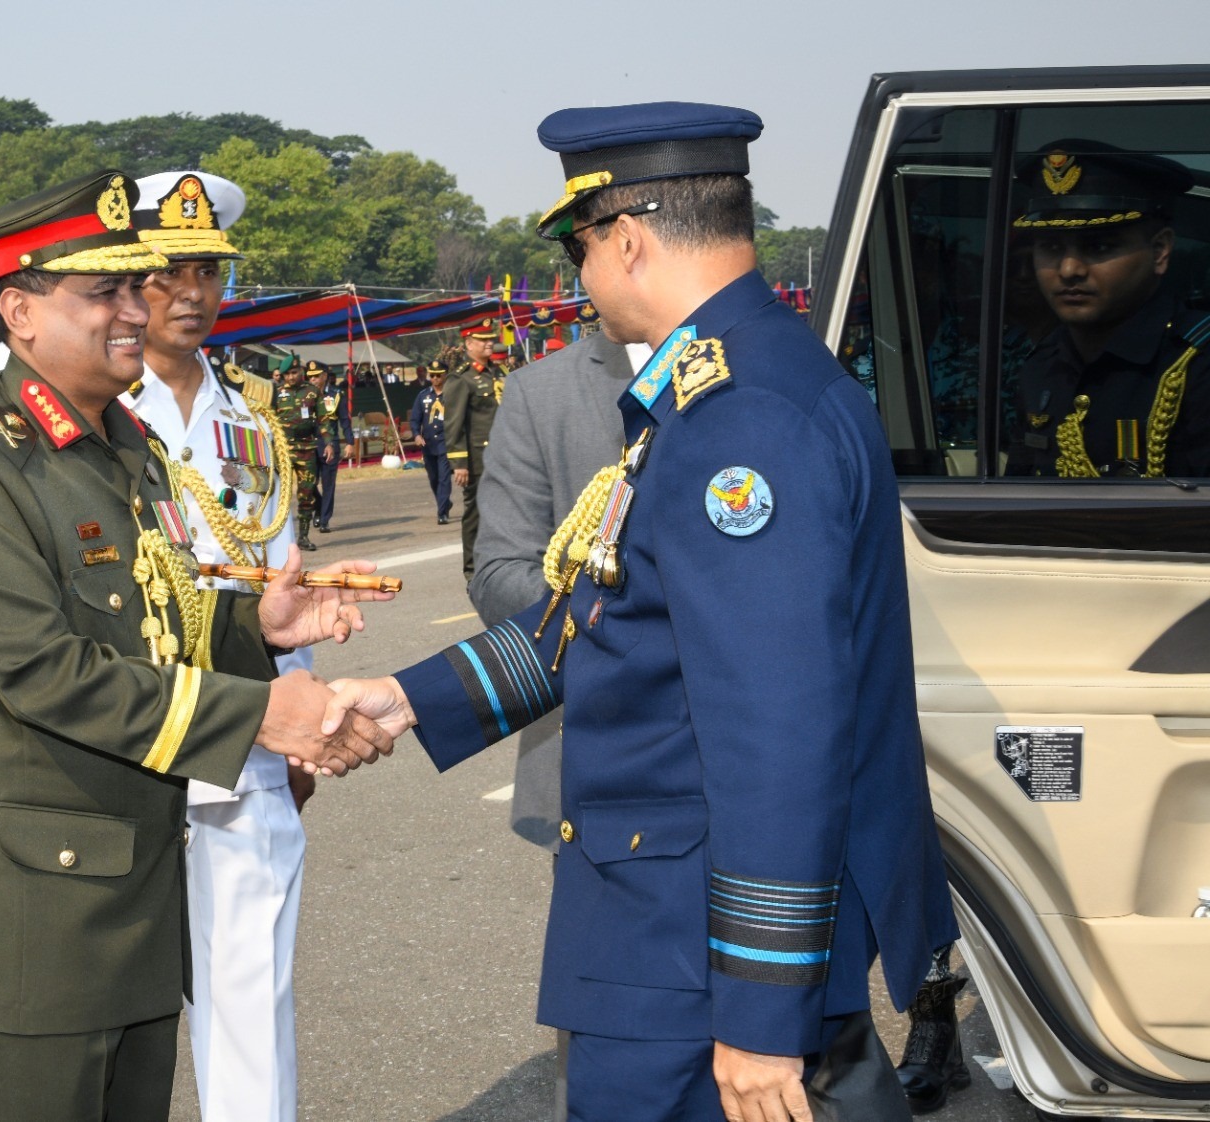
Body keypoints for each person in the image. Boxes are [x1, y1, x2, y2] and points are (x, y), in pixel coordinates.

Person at [324, 101, 957, 1122]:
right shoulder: (745, 379)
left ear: (625, 239)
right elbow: (610, 612)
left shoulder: (736, 420)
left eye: (578, 251)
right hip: (682, 932)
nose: (580, 280)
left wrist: (757, 1015)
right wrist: (406, 700)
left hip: (688, 951)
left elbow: (777, 731)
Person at [0, 169, 394, 1122]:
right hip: (24, 925)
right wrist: (266, 715)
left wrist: (254, 630)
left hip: (128, 898)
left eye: (130, 288)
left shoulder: (124, 448)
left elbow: (152, 615)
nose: (133, 310)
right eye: (104, 290)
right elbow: (44, 673)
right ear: (20, 312)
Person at [123, 169, 313, 1122]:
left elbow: (284, 574)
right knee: (116, 1015)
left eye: (208, 272)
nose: (191, 294)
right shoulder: (94, 406)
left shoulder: (251, 410)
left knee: (252, 1004)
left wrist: (303, 717)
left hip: (245, 747)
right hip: (128, 742)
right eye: (166, 274)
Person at [466, 328, 641, 1121]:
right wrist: (644, 623)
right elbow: (500, 571)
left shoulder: (767, 367)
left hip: (753, 759)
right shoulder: (542, 392)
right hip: (597, 753)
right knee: (612, 1039)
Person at [1006, 141, 1210, 478]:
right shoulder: (1043, 364)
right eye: (1051, 247)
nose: (1069, 269)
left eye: (1098, 246)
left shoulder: (1196, 364)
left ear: (1159, 251)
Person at [443, 318, 504, 579]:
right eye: (483, 339)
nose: (489, 342)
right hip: (478, 459)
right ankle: (472, 568)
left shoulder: (497, 374)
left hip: (504, 456)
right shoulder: (462, 379)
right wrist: (460, 463)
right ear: (469, 344)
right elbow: (454, 424)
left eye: (491, 338)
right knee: (475, 514)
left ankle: (498, 561)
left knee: (504, 511)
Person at [273, 358, 329, 550]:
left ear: (300, 372)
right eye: (287, 374)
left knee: (307, 494)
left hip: (306, 451)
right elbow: (268, 420)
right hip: (283, 452)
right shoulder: (277, 393)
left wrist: (328, 444)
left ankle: (303, 537)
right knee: (280, 496)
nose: (291, 377)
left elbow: (324, 420)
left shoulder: (312, 392)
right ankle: (279, 540)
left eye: (294, 372)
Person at [407, 360, 454, 523]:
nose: (435, 378)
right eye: (432, 375)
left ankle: (442, 514)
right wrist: (416, 435)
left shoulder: (452, 395)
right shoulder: (423, 395)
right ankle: (445, 502)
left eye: (438, 375)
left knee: (444, 478)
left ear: (445, 375)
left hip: (446, 442)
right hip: (428, 445)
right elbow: (415, 419)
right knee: (433, 478)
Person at [309, 363, 351, 532]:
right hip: (310, 445)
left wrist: (350, 442)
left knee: (328, 484)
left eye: (316, 376)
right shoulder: (304, 395)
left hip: (329, 445)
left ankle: (324, 519)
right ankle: (318, 506)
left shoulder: (336, 395)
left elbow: (345, 420)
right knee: (308, 482)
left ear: (325, 376)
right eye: (310, 376)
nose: (313, 379)